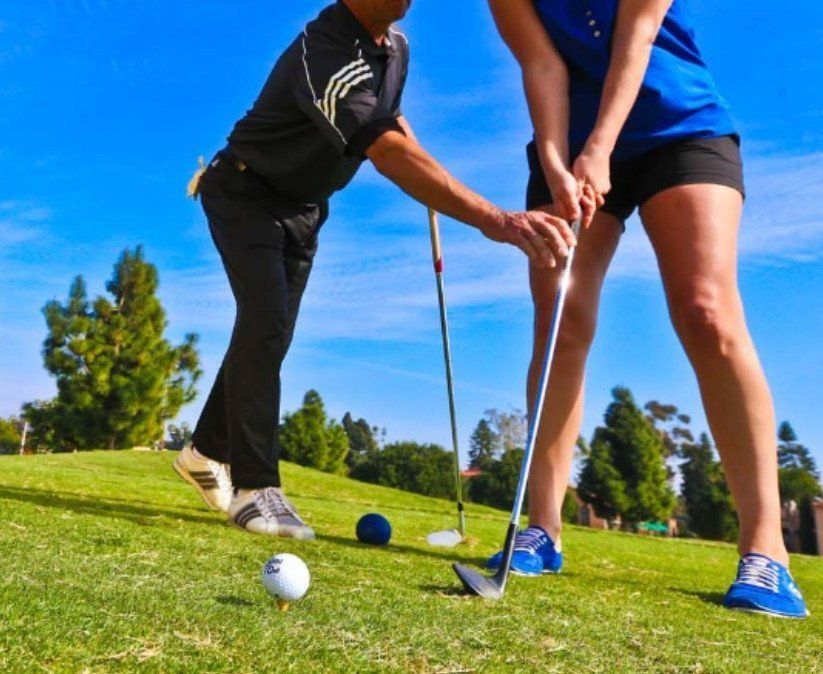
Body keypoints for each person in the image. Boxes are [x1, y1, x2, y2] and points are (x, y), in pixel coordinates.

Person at [174, 0, 579, 541]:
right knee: (265, 323)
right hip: (245, 192)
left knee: (271, 332)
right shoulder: (326, 54)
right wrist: (495, 219)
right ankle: (255, 487)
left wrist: (428, 174)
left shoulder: (397, 49)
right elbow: (385, 150)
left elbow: (394, 121)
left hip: (304, 206)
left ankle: (205, 451)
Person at [485, 0, 808, 618]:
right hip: (569, 144)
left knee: (705, 311)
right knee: (560, 319)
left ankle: (767, 550)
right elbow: (542, 65)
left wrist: (600, 146)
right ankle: (542, 529)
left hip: (678, 126)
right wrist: (555, 163)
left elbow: (636, 35)